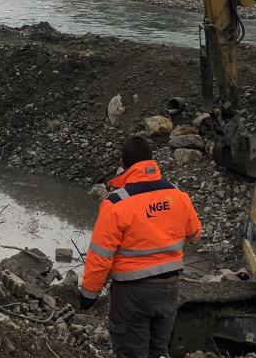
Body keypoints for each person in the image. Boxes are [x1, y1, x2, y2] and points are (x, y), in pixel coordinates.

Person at [80, 136, 202, 358]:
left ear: (124, 164)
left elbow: (100, 255)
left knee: (131, 351)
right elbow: (194, 233)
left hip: (132, 294)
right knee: (158, 351)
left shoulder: (116, 203)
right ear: (150, 161)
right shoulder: (177, 195)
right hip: (169, 290)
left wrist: (89, 294)